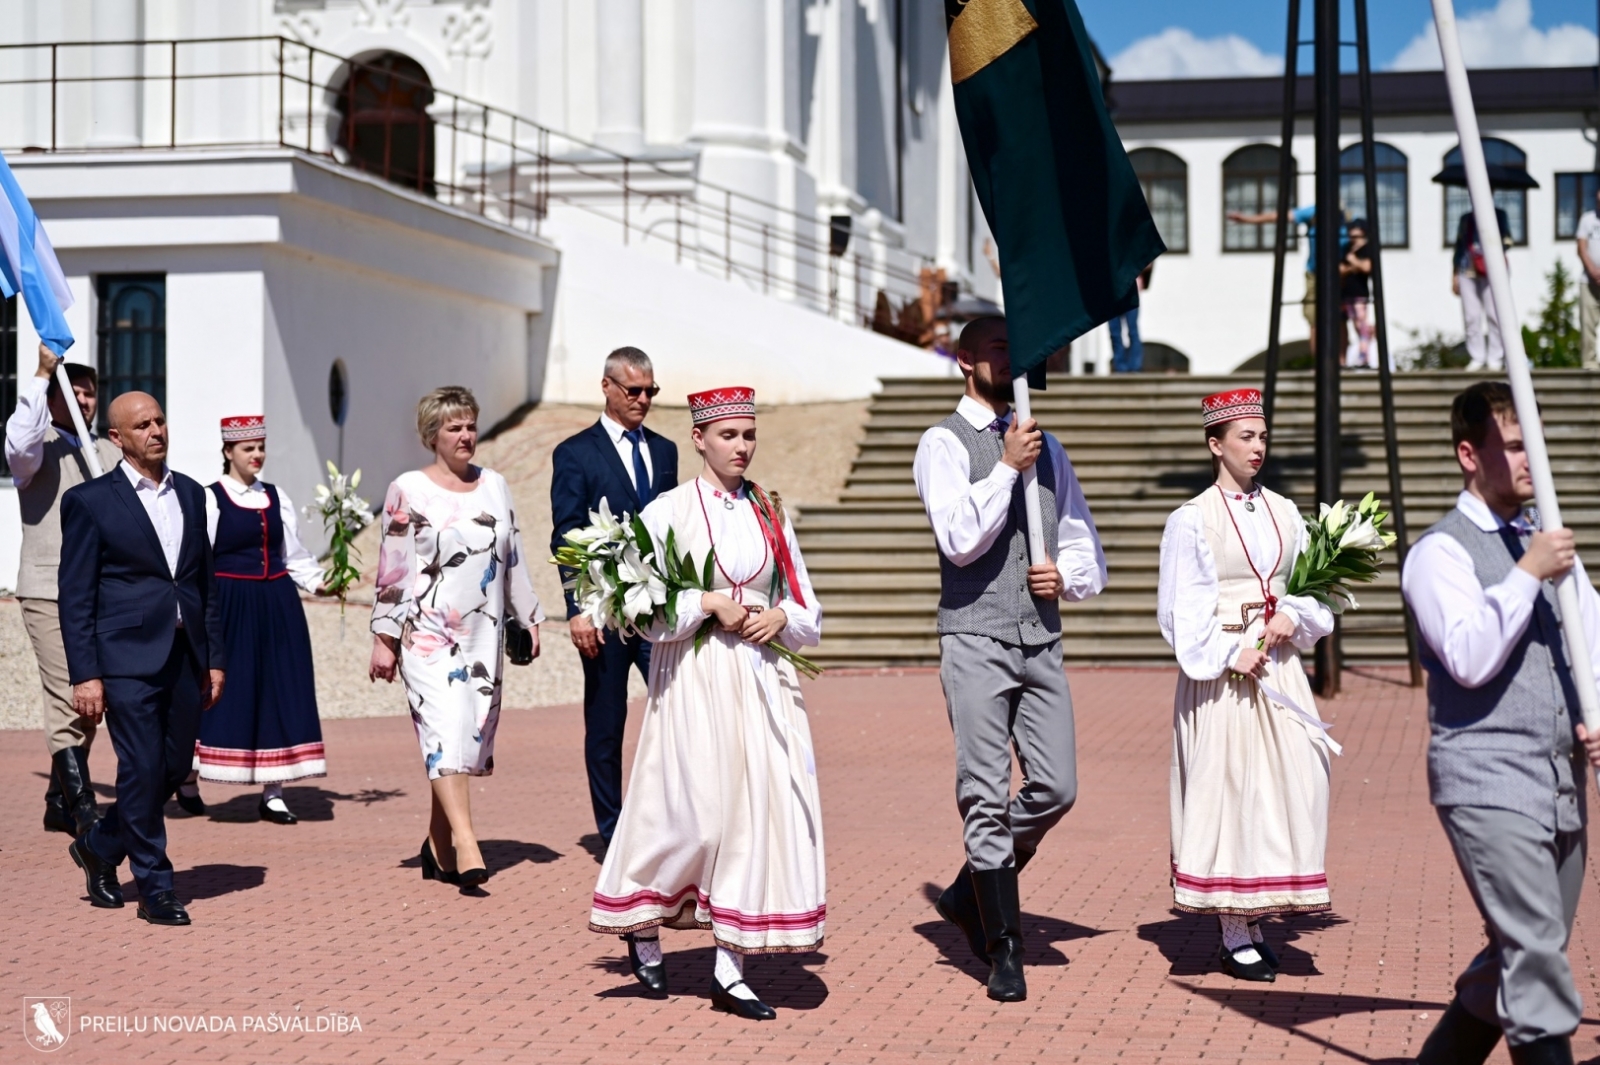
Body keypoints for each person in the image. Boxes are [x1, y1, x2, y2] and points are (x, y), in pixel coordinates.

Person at [588, 386, 824, 1021]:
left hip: (761, 684)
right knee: (694, 817)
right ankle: (642, 918)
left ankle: (730, 968)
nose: (741, 446)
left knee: (750, 822)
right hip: (692, 682)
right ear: (699, 438)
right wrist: (706, 605)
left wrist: (780, 616)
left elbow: (809, 608)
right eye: (728, 435)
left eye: (748, 434)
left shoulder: (771, 512)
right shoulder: (667, 512)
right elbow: (635, 607)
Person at [1404, 381, 1600, 1065]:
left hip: (1559, 779)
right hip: (1485, 778)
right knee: (1538, 953)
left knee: (1521, 949)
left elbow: (1593, 640)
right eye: (1515, 445)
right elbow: (1467, 655)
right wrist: (1525, 574)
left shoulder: (1546, 543)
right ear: (1469, 453)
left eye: (1534, 445)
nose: (1529, 460)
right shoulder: (1440, 552)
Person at [913, 316, 1107, 1003]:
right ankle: (1004, 946)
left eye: (1020, 348)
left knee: (1057, 786)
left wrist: (1069, 575)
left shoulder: (1048, 446)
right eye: (1000, 347)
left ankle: (971, 890)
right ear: (966, 360)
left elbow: (1082, 537)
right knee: (984, 790)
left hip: (1041, 637)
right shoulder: (942, 442)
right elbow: (959, 539)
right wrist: (1004, 468)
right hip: (974, 633)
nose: (1014, 358)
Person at [1156, 387, 1337, 983]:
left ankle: (1258, 912)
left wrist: (1294, 613)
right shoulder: (1191, 520)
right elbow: (1180, 611)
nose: (1258, 447)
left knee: (1291, 782)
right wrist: (1227, 651)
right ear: (1216, 444)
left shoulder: (1286, 511)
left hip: (1278, 666)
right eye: (1245, 437)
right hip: (1224, 674)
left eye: (1262, 436)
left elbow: (1315, 587)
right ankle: (1235, 928)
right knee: (1231, 788)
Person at [58, 392, 227, 926]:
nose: (156, 430)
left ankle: (101, 845)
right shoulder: (90, 502)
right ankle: (156, 887)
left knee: (174, 767)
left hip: (184, 654)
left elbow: (205, 585)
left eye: (160, 420)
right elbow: (76, 595)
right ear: (117, 438)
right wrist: (86, 673)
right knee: (141, 765)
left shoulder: (194, 495)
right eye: (142, 425)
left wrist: (214, 658)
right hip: (125, 657)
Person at [370, 386, 543, 887]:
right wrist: (384, 637)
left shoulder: (496, 485)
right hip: (427, 633)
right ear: (432, 435)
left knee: (466, 732)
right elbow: (394, 569)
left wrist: (527, 615)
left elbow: (513, 554)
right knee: (444, 730)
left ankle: (437, 843)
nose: (466, 435)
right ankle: (467, 841)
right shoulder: (408, 488)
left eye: (470, 425)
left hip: (481, 634)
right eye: (454, 427)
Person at [550, 347, 678, 848]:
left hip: (659, 611)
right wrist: (577, 610)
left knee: (676, 710)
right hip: (604, 611)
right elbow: (566, 536)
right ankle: (612, 830)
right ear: (606, 387)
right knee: (606, 725)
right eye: (634, 390)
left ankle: (670, 821)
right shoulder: (575, 453)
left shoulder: (665, 451)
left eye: (651, 391)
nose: (643, 399)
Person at [179, 416, 328, 825]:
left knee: (279, 687)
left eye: (260, 446)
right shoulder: (212, 498)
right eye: (248, 448)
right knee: (219, 688)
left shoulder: (276, 496)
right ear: (228, 452)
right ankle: (189, 775)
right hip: (229, 605)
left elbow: (293, 555)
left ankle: (274, 790)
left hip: (277, 604)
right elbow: (196, 559)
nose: (257, 455)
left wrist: (320, 582)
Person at [4, 344, 119, 838]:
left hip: (103, 593)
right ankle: (84, 809)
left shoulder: (108, 453)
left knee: (93, 702)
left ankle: (57, 800)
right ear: (53, 399)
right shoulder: (37, 448)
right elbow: (16, 441)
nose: (82, 400)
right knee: (68, 695)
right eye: (72, 392)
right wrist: (40, 375)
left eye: (89, 393)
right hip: (48, 588)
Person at [1226, 206, 1347, 359]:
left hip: (1341, 273)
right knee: (1314, 316)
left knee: (1341, 315)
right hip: (1315, 273)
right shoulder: (1314, 211)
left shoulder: (1346, 217)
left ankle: (1342, 361)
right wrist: (1249, 219)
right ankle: (1319, 362)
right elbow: (1280, 216)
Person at [1452, 206, 1513, 372]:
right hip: (1467, 268)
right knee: (1471, 316)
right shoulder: (1465, 218)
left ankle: (1495, 357)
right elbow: (1459, 246)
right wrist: (1455, 273)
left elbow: (1508, 240)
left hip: (1492, 269)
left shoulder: (1500, 215)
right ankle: (1476, 356)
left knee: (1494, 314)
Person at [1340, 220, 1376, 370]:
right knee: (1352, 326)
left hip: (1360, 294)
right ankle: (1355, 358)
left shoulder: (1366, 249)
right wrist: (1354, 266)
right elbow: (1340, 269)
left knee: (1362, 326)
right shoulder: (1347, 249)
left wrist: (1353, 262)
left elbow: (1367, 267)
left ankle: (1364, 358)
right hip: (1346, 294)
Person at [1109, 264, 1151, 374]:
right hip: (1112, 292)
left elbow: (1148, 263)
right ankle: (1121, 368)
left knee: (1132, 331)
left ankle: (1135, 367)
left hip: (1131, 289)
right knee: (1115, 333)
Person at [1575, 185, 1600, 369]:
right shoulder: (1587, 219)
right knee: (1588, 323)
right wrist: (1592, 270)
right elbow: (1581, 248)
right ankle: (1589, 362)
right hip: (1589, 281)